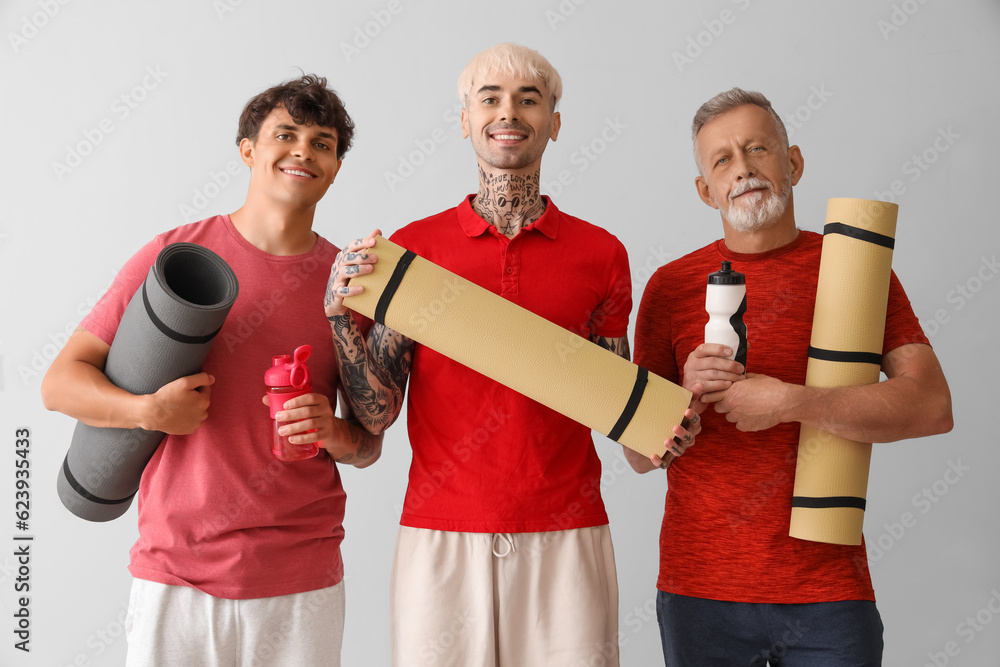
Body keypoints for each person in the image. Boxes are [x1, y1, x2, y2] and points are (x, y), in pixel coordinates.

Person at [323, 43, 699, 666]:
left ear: (555, 121)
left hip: (566, 532)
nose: (510, 113)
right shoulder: (415, 250)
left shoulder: (600, 254)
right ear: (465, 119)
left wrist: (665, 432)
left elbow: (618, 408)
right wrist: (341, 318)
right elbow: (378, 414)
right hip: (440, 533)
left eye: (530, 100)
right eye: (490, 99)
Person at [41, 74, 382, 667]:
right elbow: (59, 383)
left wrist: (334, 432)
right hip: (177, 576)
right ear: (248, 150)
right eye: (286, 134)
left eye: (322, 143)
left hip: (301, 580)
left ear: (335, 168)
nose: (303, 151)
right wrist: (147, 412)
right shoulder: (175, 257)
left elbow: (367, 445)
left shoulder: (350, 285)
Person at [625, 87, 953, 666]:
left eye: (758, 148)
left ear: (793, 162)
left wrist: (792, 402)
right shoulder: (671, 287)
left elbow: (930, 406)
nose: (744, 169)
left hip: (828, 590)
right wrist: (687, 401)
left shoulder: (855, 271)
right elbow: (636, 454)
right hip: (700, 591)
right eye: (722, 159)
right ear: (706, 190)